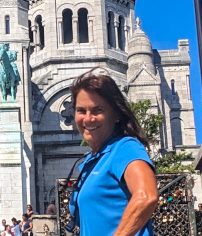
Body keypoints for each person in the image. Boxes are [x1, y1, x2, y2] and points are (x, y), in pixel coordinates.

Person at [67, 71, 158, 236]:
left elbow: (146, 196)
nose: (88, 119)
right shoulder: (91, 162)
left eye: (97, 110)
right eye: (81, 110)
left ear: (116, 114)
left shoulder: (124, 147)